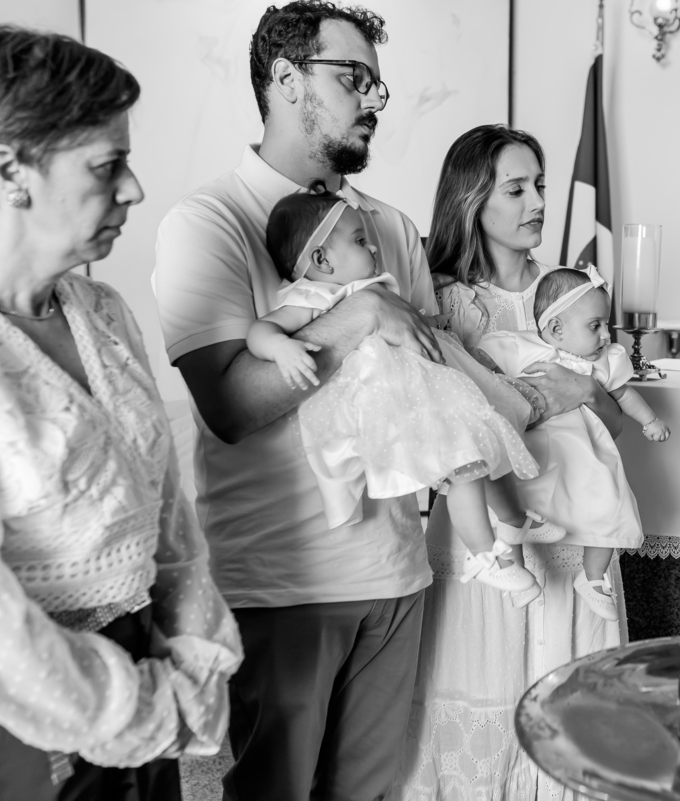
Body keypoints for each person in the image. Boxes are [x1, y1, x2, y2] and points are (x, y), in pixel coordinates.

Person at [151, 3, 449, 799]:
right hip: (284, 581)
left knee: (372, 791)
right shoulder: (209, 222)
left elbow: (430, 369)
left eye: (377, 86)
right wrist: (356, 315)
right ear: (285, 80)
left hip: (396, 569)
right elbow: (231, 405)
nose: (372, 102)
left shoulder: (391, 225)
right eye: (354, 79)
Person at [0, 26, 241, 801]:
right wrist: (140, 709)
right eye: (107, 165)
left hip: (146, 674)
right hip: (9, 729)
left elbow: (166, 515)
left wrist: (194, 655)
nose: (135, 189)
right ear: (8, 170)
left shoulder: (102, 311)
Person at [391, 124, 627, 800]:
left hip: (575, 517)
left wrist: (584, 389)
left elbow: (614, 425)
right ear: (471, 200)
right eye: (517, 188)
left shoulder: (572, 294)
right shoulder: (441, 302)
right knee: (487, 681)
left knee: (568, 702)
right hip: (489, 533)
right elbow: (442, 420)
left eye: (540, 187)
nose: (537, 203)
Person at [248, 190, 549, 598]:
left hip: (430, 385)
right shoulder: (313, 297)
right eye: (358, 240)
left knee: (487, 439)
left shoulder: (373, 286)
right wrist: (281, 348)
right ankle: (485, 556)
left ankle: (513, 520)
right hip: (392, 403)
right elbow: (261, 332)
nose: (372, 245)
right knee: (465, 461)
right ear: (321, 260)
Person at [479, 268, 669, 620]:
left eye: (606, 325)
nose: (606, 334)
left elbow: (624, 395)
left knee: (609, 502)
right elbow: (483, 367)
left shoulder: (604, 361)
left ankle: (593, 577)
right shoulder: (521, 348)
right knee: (513, 509)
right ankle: (512, 568)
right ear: (556, 330)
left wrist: (650, 420)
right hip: (532, 451)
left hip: (584, 453)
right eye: (595, 325)